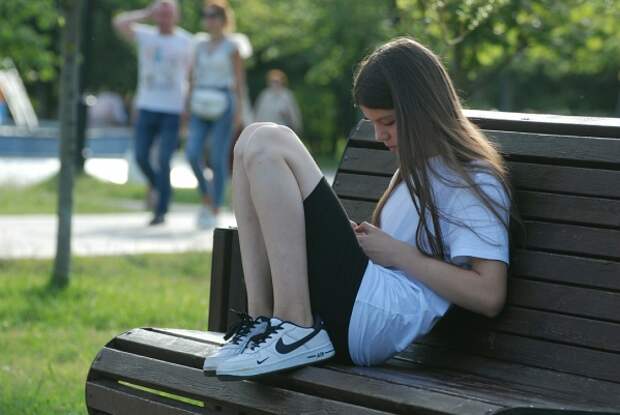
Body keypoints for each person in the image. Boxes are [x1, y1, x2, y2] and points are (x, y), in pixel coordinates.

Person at [203, 37, 514, 380]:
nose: (379, 135)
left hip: (375, 319)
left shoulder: (473, 178)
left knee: (271, 141)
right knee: (249, 140)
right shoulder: (416, 170)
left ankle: (294, 326)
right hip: (361, 308)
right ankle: (263, 324)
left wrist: (398, 254)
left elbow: (489, 294)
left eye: (389, 122)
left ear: (424, 110)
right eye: (373, 122)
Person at [113, 0, 193, 225]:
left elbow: (191, 76)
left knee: (164, 159)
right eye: (161, 13)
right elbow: (119, 23)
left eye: (169, 13)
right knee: (140, 156)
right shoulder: (146, 35)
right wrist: (147, 13)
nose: (165, 17)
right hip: (147, 106)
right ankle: (161, 187)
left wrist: (187, 107)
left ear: (177, 16)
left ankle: (161, 210)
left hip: (173, 109)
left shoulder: (186, 41)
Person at [185, 2, 246, 229]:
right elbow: (192, 76)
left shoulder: (233, 45)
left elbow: (239, 81)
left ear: (223, 19)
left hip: (224, 101)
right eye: (206, 15)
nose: (209, 19)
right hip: (200, 100)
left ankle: (215, 207)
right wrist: (186, 105)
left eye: (213, 15)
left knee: (218, 157)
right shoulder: (198, 43)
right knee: (192, 153)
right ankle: (206, 196)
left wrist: (240, 110)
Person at [254, 69, 303, 134]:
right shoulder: (264, 95)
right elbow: (258, 114)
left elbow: (294, 116)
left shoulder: (287, 95)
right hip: (266, 131)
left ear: (282, 81)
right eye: (272, 81)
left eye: (277, 81)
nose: (275, 84)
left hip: (283, 130)